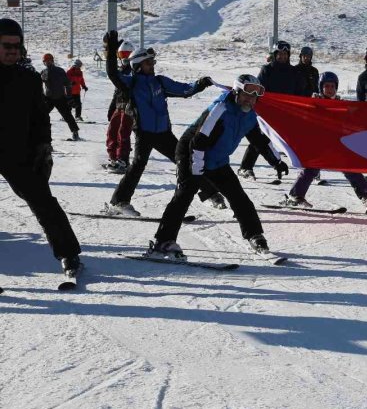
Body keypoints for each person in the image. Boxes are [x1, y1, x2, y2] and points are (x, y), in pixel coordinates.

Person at [150, 74, 290, 259]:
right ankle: (163, 241)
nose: (250, 99)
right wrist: (197, 169)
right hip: (190, 153)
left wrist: (276, 161)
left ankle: (255, 235)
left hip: (217, 159)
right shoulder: (220, 110)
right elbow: (198, 142)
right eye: (247, 94)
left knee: (239, 197)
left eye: (254, 96)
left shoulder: (249, 115)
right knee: (184, 194)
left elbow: (259, 140)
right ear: (237, 92)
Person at [102, 30, 224, 216]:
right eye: (148, 63)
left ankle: (211, 193)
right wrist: (110, 50)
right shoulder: (131, 83)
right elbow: (112, 73)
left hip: (164, 133)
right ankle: (119, 201)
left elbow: (184, 90)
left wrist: (200, 84)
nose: (152, 65)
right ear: (137, 65)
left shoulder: (159, 82)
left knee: (187, 161)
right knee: (137, 166)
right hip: (144, 133)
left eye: (153, 62)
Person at [0, 18, 81, 275]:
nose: (12, 50)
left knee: (43, 201)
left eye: (16, 45)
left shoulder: (29, 78)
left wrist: (44, 146)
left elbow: (40, 117)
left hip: (17, 152)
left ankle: (68, 254)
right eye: (6, 45)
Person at [279, 72, 367, 209]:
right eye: (326, 86)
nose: (329, 89)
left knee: (350, 168)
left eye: (332, 86)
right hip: (319, 144)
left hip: (337, 143)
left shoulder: (340, 104)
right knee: (311, 169)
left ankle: (365, 195)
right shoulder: (313, 104)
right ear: (321, 88)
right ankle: (296, 196)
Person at [237, 40, 306, 180]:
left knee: (296, 139)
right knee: (260, 139)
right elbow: (258, 90)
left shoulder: (294, 72)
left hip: (287, 112)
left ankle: (307, 170)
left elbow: (300, 93)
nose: (282, 56)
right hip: (268, 112)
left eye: (285, 54)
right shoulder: (267, 70)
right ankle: (246, 167)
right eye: (279, 54)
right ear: (275, 55)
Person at [104, 42, 136, 173]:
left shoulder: (135, 70)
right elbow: (117, 91)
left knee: (123, 132)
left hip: (129, 106)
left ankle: (123, 159)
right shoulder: (120, 71)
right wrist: (113, 105)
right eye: (122, 54)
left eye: (127, 54)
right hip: (119, 105)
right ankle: (113, 157)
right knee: (112, 131)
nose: (125, 57)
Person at [40, 53, 80, 141]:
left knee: (67, 115)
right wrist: (42, 96)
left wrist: (69, 97)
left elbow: (67, 84)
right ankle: (39, 133)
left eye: (48, 61)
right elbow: (39, 85)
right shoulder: (43, 72)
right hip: (49, 98)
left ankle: (75, 132)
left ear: (52, 61)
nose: (47, 63)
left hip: (60, 98)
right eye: (45, 61)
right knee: (41, 115)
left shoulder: (60, 71)